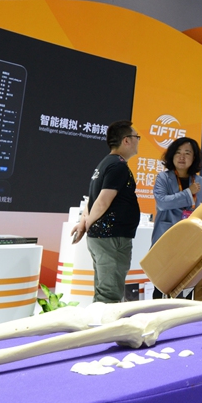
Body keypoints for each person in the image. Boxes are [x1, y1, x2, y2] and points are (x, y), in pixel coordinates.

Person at [71, 120, 142, 303]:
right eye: (137, 137)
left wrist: (84, 223)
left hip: (105, 237)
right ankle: (104, 321)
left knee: (104, 289)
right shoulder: (118, 166)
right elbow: (102, 201)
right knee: (109, 293)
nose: (138, 141)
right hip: (112, 238)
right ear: (126, 140)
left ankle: (100, 319)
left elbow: (92, 198)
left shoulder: (105, 163)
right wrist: (86, 223)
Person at [151, 137, 202, 298]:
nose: (182, 157)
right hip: (166, 237)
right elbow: (162, 203)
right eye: (178, 152)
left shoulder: (200, 181)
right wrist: (188, 193)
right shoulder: (163, 178)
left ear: (194, 158)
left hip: (189, 240)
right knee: (161, 285)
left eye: (187, 153)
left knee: (186, 286)